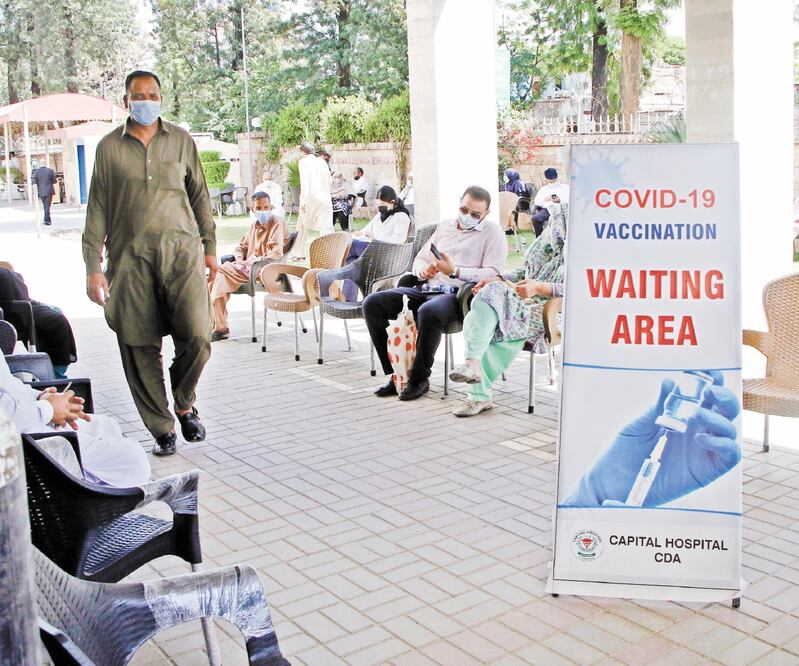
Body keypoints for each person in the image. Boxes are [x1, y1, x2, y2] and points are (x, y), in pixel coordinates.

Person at [82, 70, 216, 458]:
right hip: (130, 261)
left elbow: (200, 197)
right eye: (138, 95)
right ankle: (162, 429)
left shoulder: (181, 140)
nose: (145, 101)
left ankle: (184, 399)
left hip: (182, 255)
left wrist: (209, 246)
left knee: (198, 336)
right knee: (139, 346)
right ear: (127, 101)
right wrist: (93, 265)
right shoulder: (109, 147)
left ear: (161, 98)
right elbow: (97, 210)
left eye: (152, 94)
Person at [363, 185, 507, 401]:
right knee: (372, 303)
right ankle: (396, 375)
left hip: (458, 296)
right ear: (459, 202)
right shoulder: (445, 226)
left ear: (486, 214)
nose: (467, 216)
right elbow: (421, 258)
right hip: (426, 288)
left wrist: (457, 271)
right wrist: (424, 269)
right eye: (464, 210)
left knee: (428, 311)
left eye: (475, 214)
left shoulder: (492, 232)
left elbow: (494, 272)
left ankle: (419, 379)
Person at [449, 204, 567, 417]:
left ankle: (477, 387)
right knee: (489, 296)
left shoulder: (583, 254)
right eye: (552, 221)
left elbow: (580, 289)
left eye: (558, 221)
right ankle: (474, 368)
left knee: (487, 319)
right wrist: (498, 278)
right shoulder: (545, 243)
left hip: (548, 310)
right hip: (520, 302)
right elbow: (524, 271)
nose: (552, 226)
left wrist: (539, 287)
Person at [0, 353, 151, 487]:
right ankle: (73, 504)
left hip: (27, 418)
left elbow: (8, 385)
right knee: (133, 458)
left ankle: (98, 500)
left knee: (104, 424)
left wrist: (41, 396)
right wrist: (48, 409)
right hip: (15, 444)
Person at [210, 191, 289, 341]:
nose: (263, 211)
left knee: (219, 271)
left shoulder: (277, 222)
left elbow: (276, 252)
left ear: (271, 207)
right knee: (217, 278)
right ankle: (219, 326)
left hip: (265, 270)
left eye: (266, 207)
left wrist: (253, 260)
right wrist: (240, 259)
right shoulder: (254, 226)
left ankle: (218, 325)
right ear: (252, 209)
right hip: (246, 269)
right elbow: (241, 247)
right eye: (259, 208)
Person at [0, 263, 77, 377]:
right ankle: (55, 375)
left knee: (55, 314)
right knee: (55, 317)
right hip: (17, 311)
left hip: (19, 309)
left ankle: (55, 374)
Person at [342, 185, 412, 301]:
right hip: (371, 250)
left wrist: (376, 238)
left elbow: (398, 240)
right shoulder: (379, 216)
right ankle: (349, 301)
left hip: (386, 254)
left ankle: (335, 266)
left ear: (392, 202)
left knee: (351, 245)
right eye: (378, 205)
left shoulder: (402, 217)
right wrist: (360, 233)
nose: (380, 208)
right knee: (351, 264)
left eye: (382, 205)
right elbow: (366, 230)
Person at [294, 141, 334, 261]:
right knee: (326, 228)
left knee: (302, 226)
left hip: (311, 198)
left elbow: (305, 183)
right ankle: (331, 254)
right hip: (325, 198)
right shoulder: (321, 161)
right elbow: (329, 180)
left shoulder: (303, 162)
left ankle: (299, 253)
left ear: (302, 152)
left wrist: (303, 201)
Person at [531, 167, 569, 237]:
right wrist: (546, 199)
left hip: (561, 210)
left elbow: (569, 200)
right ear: (546, 179)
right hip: (547, 210)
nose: (552, 181)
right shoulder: (543, 190)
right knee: (535, 219)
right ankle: (539, 239)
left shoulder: (565, 188)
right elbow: (537, 202)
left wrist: (560, 200)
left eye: (553, 180)